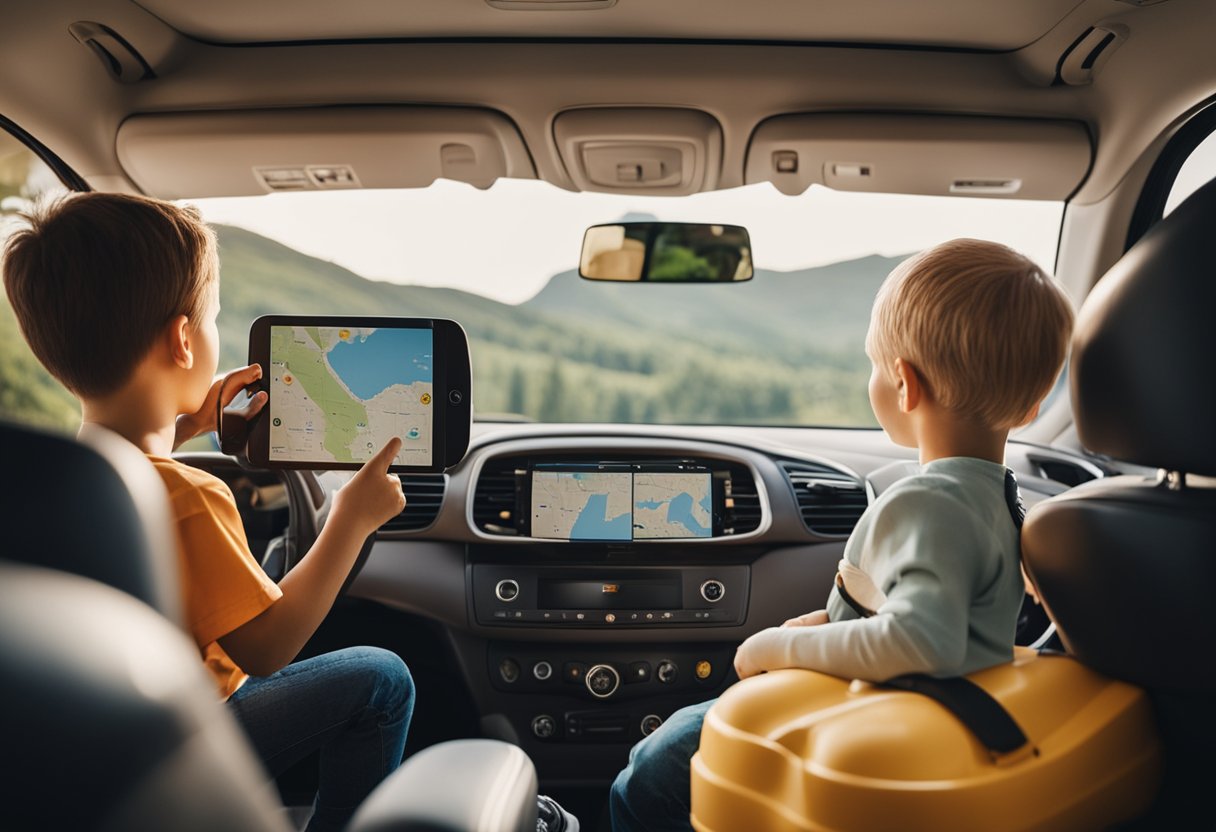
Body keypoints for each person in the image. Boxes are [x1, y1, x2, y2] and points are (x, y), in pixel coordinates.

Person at [608, 238, 1076, 832]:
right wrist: (826, 623)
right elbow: (929, 609)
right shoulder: (1000, 495)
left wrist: (772, 647)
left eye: (875, 364)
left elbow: (919, 643)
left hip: (885, 706)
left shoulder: (929, 501)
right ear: (1034, 407)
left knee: (648, 772)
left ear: (903, 385)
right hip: (928, 711)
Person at [3, 192, 414, 832]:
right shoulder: (192, 497)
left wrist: (180, 426)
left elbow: (133, 458)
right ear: (183, 341)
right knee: (384, 679)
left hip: (104, 746)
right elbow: (269, 647)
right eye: (213, 316)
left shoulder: (59, 478)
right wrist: (351, 517)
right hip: (195, 733)